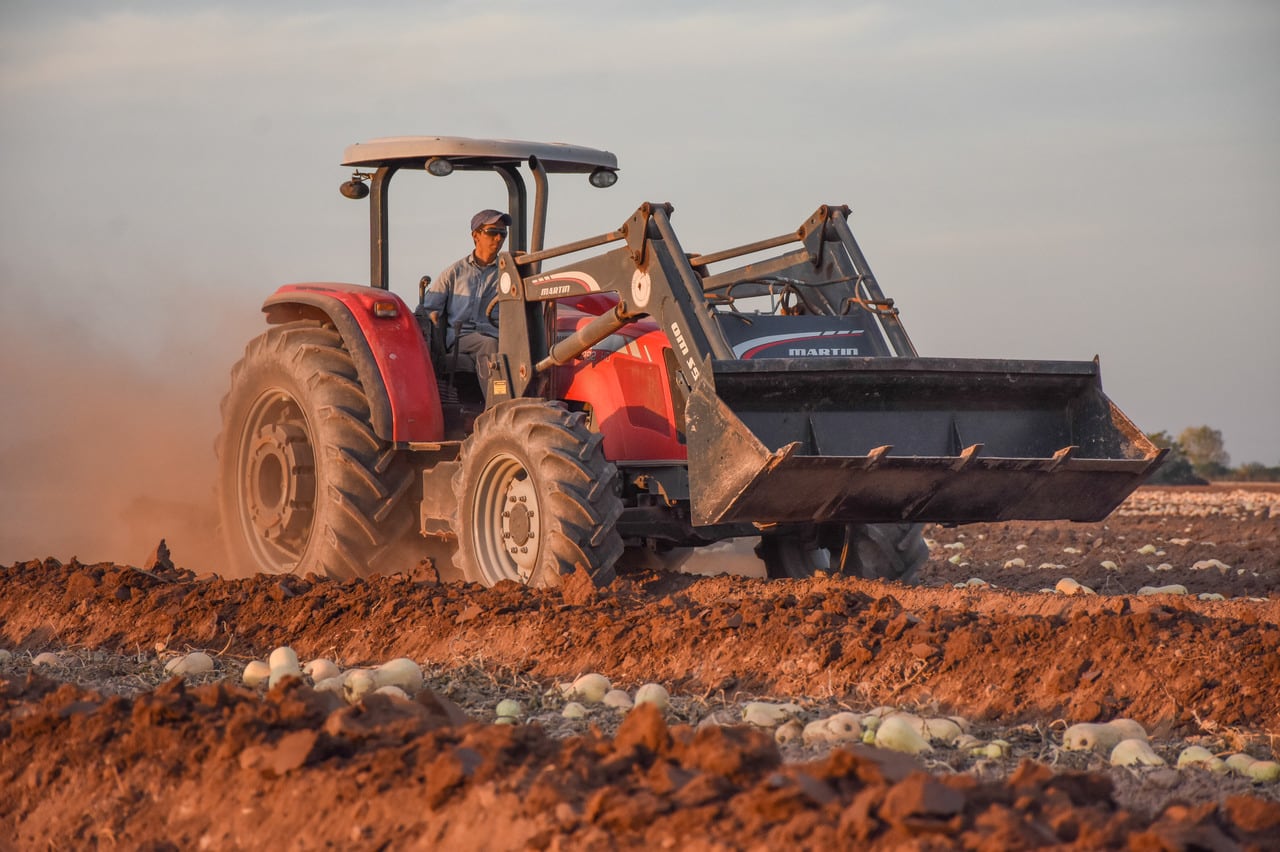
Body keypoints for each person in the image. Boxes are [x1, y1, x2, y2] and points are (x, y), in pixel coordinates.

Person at [419, 209, 511, 380]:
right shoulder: (454, 273)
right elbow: (426, 310)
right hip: (462, 338)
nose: (498, 238)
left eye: (502, 233)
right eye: (492, 232)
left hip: (499, 337)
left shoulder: (508, 273)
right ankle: (498, 402)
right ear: (476, 235)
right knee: (489, 345)